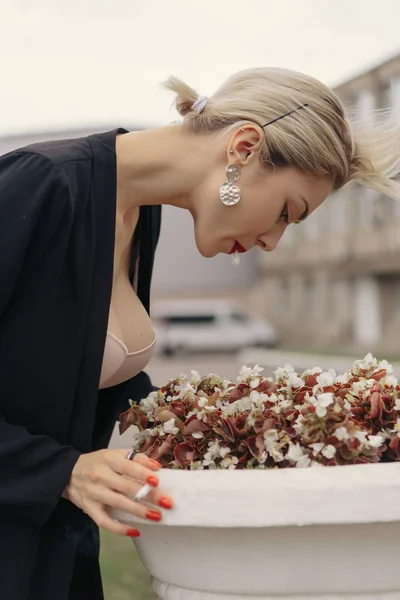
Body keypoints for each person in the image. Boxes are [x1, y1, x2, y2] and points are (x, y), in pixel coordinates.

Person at [1, 66, 399, 600]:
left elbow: (60, 377)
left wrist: (251, 415)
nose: (274, 241)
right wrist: (63, 471)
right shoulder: (40, 184)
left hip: (52, 555)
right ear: (244, 146)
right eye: (287, 211)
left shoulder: (140, 216)